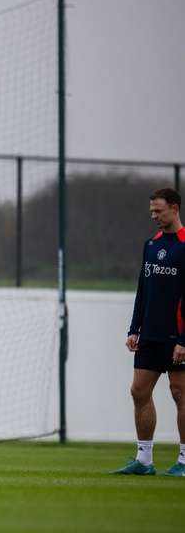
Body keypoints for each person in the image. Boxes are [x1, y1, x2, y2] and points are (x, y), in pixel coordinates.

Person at [112, 187, 185, 476]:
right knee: (138, 391)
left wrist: (184, 340)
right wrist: (134, 328)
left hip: (178, 336)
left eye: (159, 210)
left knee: (180, 393)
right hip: (151, 334)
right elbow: (143, 290)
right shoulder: (151, 244)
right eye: (151, 211)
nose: (154, 215)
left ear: (175, 208)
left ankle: (183, 460)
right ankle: (144, 460)